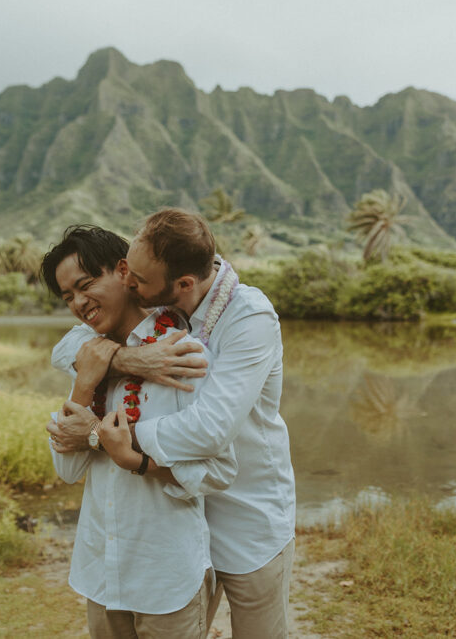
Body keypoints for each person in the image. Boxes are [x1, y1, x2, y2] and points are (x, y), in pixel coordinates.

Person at [49, 209, 296, 639]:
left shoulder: (241, 321)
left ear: (179, 284)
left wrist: (98, 436)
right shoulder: (151, 308)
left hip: (245, 507)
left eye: (87, 285)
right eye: (68, 295)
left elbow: (211, 434)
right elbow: (71, 343)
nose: (128, 282)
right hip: (177, 517)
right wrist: (116, 362)